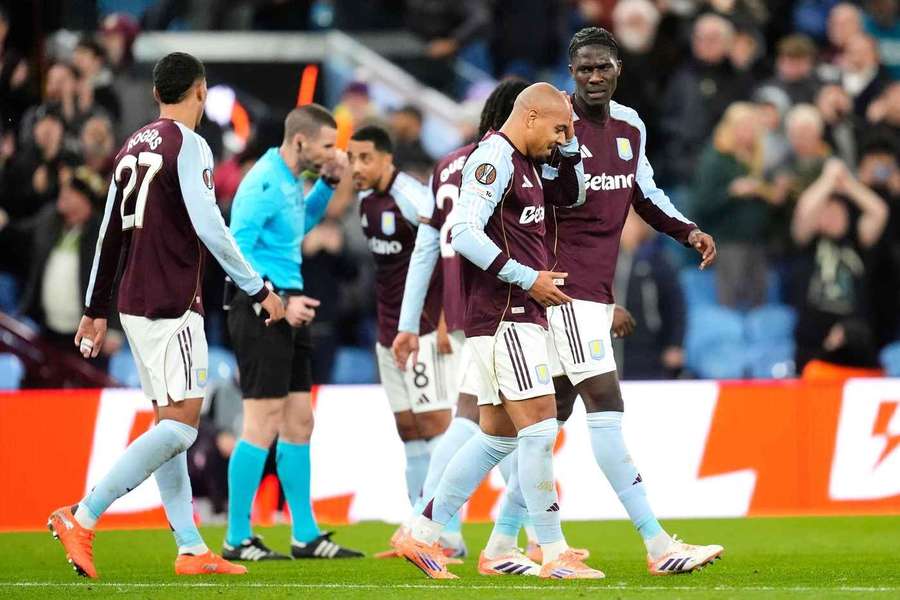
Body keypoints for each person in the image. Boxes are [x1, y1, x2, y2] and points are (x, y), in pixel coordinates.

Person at [46, 51, 285, 579]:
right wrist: (258, 288)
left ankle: (190, 545)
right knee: (180, 430)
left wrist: (94, 309)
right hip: (172, 300)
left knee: (169, 423)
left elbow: (109, 231)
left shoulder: (132, 145)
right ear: (199, 92)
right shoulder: (191, 144)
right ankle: (82, 515)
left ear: (157, 94)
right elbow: (211, 226)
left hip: (133, 302)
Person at [495, 26, 721, 577]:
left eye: (603, 67)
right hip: (563, 288)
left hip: (595, 291)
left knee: (544, 420)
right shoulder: (554, 125)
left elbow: (642, 191)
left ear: (618, 67)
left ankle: (496, 539)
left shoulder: (630, 125)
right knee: (605, 408)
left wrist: (686, 230)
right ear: (571, 73)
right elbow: (533, 200)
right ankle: (657, 543)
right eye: (583, 69)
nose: (594, 77)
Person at [397, 82, 603, 580]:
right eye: (557, 129)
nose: (561, 140)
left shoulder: (528, 163)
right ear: (528, 116)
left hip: (512, 317)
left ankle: (420, 534)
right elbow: (462, 232)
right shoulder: (494, 159)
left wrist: (571, 144)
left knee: (497, 439)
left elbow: (572, 196)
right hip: (506, 314)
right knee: (538, 429)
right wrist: (526, 277)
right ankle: (552, 553)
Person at [390, 77, 539, 564]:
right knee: (515, 424)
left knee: (492, 424)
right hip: (501, 309)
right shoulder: (508, 165)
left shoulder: (448, 165)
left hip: (465, 312)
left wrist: (410, 322)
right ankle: (513, 537)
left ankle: (437, 527)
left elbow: (428, 246)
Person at [224, 104, 362, 561]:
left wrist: (327, 183)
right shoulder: (263, 183)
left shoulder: (288, 180)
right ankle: (236, 536)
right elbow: (235, 251)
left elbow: (298, 226)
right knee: (261, 424)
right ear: (300, 142)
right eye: (327, 146)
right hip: (261, 307)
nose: (333, 151)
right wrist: (273, 298)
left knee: (300, 421)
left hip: (287, 301)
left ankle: (304, 534)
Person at [348, 125, 453, 517]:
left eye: (364, 158)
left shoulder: (412, 197)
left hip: (424, 328)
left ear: (386, 158)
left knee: (436, 425)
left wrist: (445, 319)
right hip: (386, 330)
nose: (356, 166)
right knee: (408, 429)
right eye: (351, 158)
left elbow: (446, 252)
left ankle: (446, 532)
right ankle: (416, 523)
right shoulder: (364, 198)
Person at [791, 157, 889, 370]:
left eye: (839, 211)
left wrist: (848, 184)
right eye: (828, 211)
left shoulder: (858, 242)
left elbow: (879, 211)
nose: (834, 216)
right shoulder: (809, 244)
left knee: (859, 335)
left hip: (854, 335)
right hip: (814, 336)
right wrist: (827, 180)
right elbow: (803, 212)